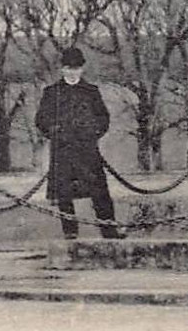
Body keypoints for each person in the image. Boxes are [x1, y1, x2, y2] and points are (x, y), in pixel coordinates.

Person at [34, 47, 122, 240]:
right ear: (62, 69)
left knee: (100, 192)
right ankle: (70, 234)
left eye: (76, 68)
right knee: (64, 195)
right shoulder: (52, 92)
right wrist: (54, 132)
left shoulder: (91, 91)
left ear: (82, 69)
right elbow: (41, 119)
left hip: (87, 151)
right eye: (68, 68)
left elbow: (103, 118)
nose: (72, 72)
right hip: (63, 152)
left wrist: (93, 133)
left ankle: (109, 231)